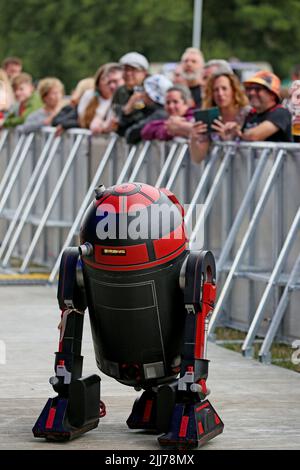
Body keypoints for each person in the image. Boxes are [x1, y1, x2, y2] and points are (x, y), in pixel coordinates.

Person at [190, 72, 250, 163]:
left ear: (234, 90)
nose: (220, 93)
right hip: (218, 172)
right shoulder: (209, 117)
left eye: (224, 88)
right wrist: (193, 139)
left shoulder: (247, 114)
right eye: (215, 90)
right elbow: (197, 159)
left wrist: (228, 139)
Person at [239, 71, 292, 142]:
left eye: (257, 89)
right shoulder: (251, 115)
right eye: (249, 88)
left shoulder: (281, 113)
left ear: (272, 94)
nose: (252, 93)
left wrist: (237, 134)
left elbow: (253, 136)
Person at [124, 74, 173, 144]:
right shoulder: (150, 110)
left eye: (144, 89)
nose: (141, 93)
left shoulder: (160, 114)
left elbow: (131, 133)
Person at [110, 51, 149, 136]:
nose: (128, 73)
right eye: (126, 69)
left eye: (134, 70)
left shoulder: (150, 91)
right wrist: (127, 109)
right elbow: (116, 113)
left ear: (144, 72)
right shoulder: (120, 91)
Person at [78, 63, 115, 133]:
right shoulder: (89, 95)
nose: (109, 83)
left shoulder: (118, 99)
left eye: (113, 80)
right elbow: (81, 119)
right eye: (104, 79)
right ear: (98, 82)